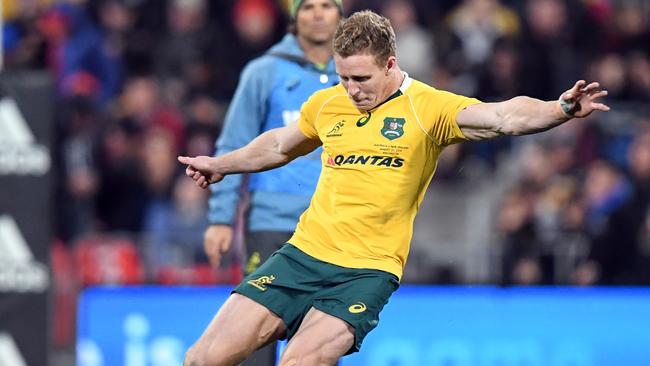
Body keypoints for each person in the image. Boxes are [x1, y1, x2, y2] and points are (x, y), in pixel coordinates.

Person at [179, 10, 609, 366]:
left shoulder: (429, 108)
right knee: (200, 360)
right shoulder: (329, 103)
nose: (352, 89)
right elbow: (278, 145)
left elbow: (505, 117)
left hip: (366, 273)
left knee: (297, 363)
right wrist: (222, 165)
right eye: (344, 77)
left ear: (390, 64)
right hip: (301, 256)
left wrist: (561, 108)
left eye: (361, 79)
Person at [203, 0, 342, 364]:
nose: (317, 13)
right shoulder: (263, 72)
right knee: (252, 343)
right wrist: (220, 218)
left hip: (334, 230)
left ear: (340, 13)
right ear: (294, 15)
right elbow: (233, 145)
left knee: (320, 349)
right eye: (308, 5)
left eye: (327, 5)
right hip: (272, 225)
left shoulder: (355, 76)